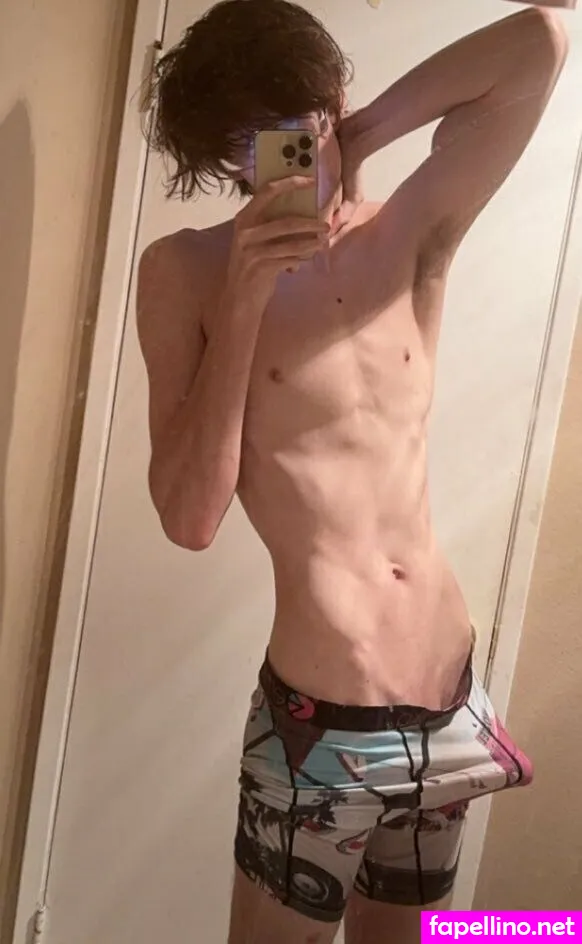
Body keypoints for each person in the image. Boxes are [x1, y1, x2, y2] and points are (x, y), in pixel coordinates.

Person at [136, 2, 568, 941]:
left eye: (290, 127)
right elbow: (189, 518)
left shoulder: (409, 234)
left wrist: (355, 134)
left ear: (329, 100)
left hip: (451, 703)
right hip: (316, 732)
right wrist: (244, 302)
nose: (277, 160)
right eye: (248, 145)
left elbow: (541, 40)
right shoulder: (184, 271)